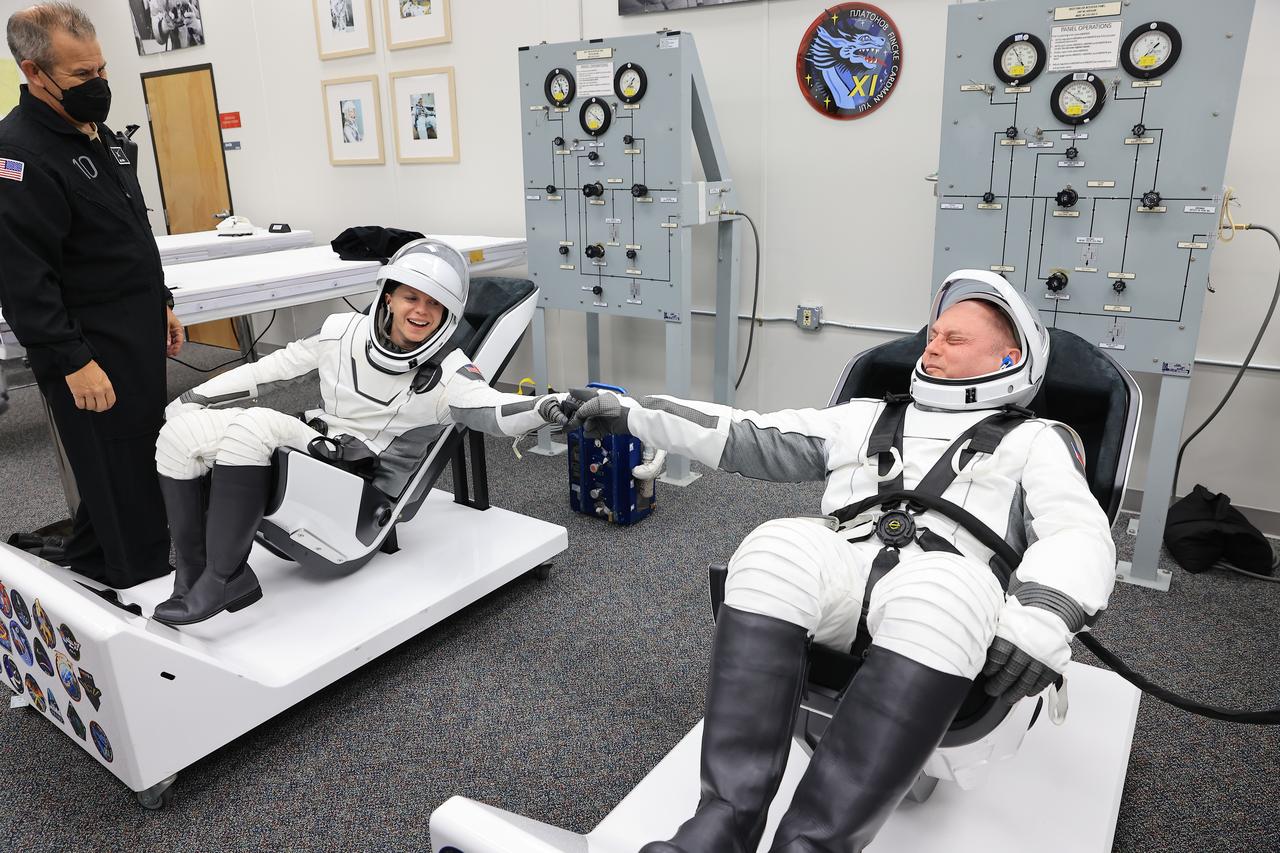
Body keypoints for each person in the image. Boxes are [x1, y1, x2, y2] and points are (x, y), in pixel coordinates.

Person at [567, 271, 1116, 853]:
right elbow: (749, 433)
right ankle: (723, 821)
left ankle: (813, 844)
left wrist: (1042, 616)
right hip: (846, 565)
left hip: (953, 580)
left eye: (955, 339)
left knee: (944, 591)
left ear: (1011, 358)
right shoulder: (865, 416)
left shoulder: (1039, 439)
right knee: (776, 545)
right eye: (933, 334)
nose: (932, 346)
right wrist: (634, 414)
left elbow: (1076, 530)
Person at [152, 239, 571, 627]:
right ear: (388, 296)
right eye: (411, 297)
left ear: (448, 315)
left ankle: (225, 579)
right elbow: (271, 369)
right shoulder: (341, 331)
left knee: (256, 426)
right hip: (323, 455)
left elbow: (495, 410)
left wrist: (551, 406)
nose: (421, 311)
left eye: (434, 304)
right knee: (178, 436)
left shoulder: (452, 373)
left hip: (361, 505)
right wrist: (192, 397)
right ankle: (192, 575)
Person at [0, 3, 183, 588]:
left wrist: (161, 301)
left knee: (138, 449)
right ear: (33, 72)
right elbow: (22, 279)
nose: (98, 83)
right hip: (87, 344)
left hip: (134, 326)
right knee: (115, 461)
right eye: (81, 75)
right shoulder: (18, 153)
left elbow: (127, 231)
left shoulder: (96, 133)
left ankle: (92, 552)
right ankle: (140, 579)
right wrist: (72, 360)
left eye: (101, 69)